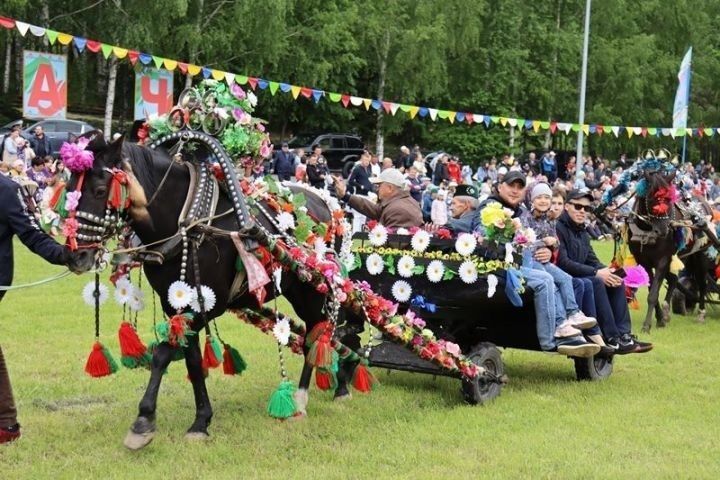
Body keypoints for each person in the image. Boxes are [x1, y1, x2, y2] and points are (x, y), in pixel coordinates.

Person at [476, 172, 599, 357]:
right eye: (511, 186)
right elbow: (485, 233)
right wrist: (540, 245)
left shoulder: (526, 213)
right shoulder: (495, 207)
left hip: (522, 260)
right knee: (547, 280)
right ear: (500, 186)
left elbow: (545, 242)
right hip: (507, 263)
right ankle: (552, 336)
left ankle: (570, 319)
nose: (515, 190)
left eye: (519, 187)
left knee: (566, 279)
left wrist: (550, 248)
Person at [0, 174, 76, 443]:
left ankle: (6, 425)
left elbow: (32, 235)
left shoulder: (7, 190)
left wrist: (65, 255)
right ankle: (6, 424)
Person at [555, 189, 653, 354]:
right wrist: (597, 273)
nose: (582, 212)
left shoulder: (582, 231)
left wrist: (609, 271)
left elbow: (591, 259)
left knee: (615, 280)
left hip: (581, 274)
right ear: (567, 207)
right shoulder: (559, 228)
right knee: (598, 281)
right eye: (578, 207)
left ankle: (624, 335)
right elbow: (563, 263)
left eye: (587, 209)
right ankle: (612, 338)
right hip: (564, 278)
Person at [334, 168, 423, 229]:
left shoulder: (397, 210)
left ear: (390, 188)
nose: (377, 188)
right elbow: (372, 208)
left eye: (379, 185)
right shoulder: (398, 202)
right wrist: (345, 196)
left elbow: (392, 247)